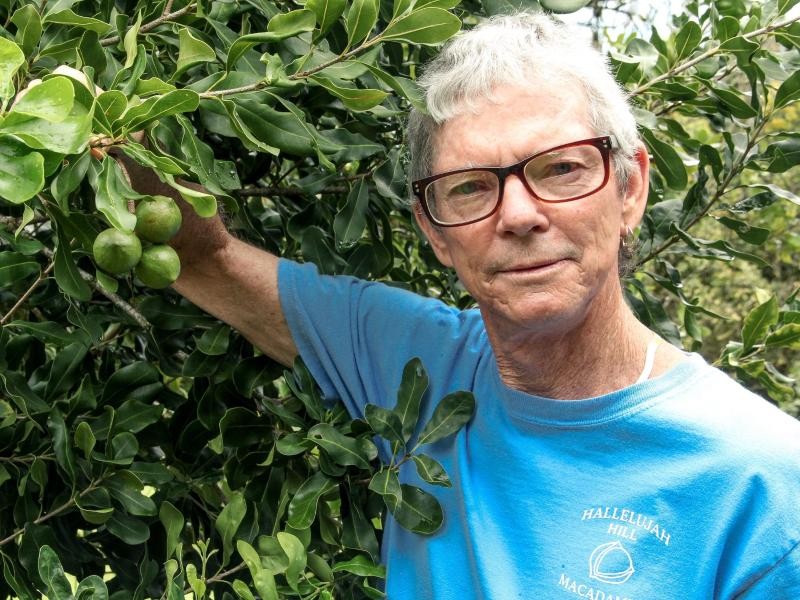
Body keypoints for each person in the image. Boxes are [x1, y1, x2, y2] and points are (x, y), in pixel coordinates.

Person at [135, 12, 800, 598]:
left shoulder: (763, 485)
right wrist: (74, 123)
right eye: (470, 187)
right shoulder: (414, 365)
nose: (518, 214)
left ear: (629, 189)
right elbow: (203, 253)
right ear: (433, 232)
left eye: (561, 168)